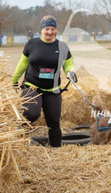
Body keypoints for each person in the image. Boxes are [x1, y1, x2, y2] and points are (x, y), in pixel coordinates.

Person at [12, 15, 77, 147]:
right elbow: (23, 63)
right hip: (32, 86)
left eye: (52, 29)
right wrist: (15, 80)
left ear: (56, 30)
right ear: (41, 29)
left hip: (53, 90)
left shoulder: (62, 46)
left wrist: (70, 72)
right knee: (32, 113)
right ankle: (18, 135)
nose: (49, 32)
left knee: (54, 123)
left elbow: (68, 64)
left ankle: (56, 149)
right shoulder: (32, 44)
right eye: (47, 29)